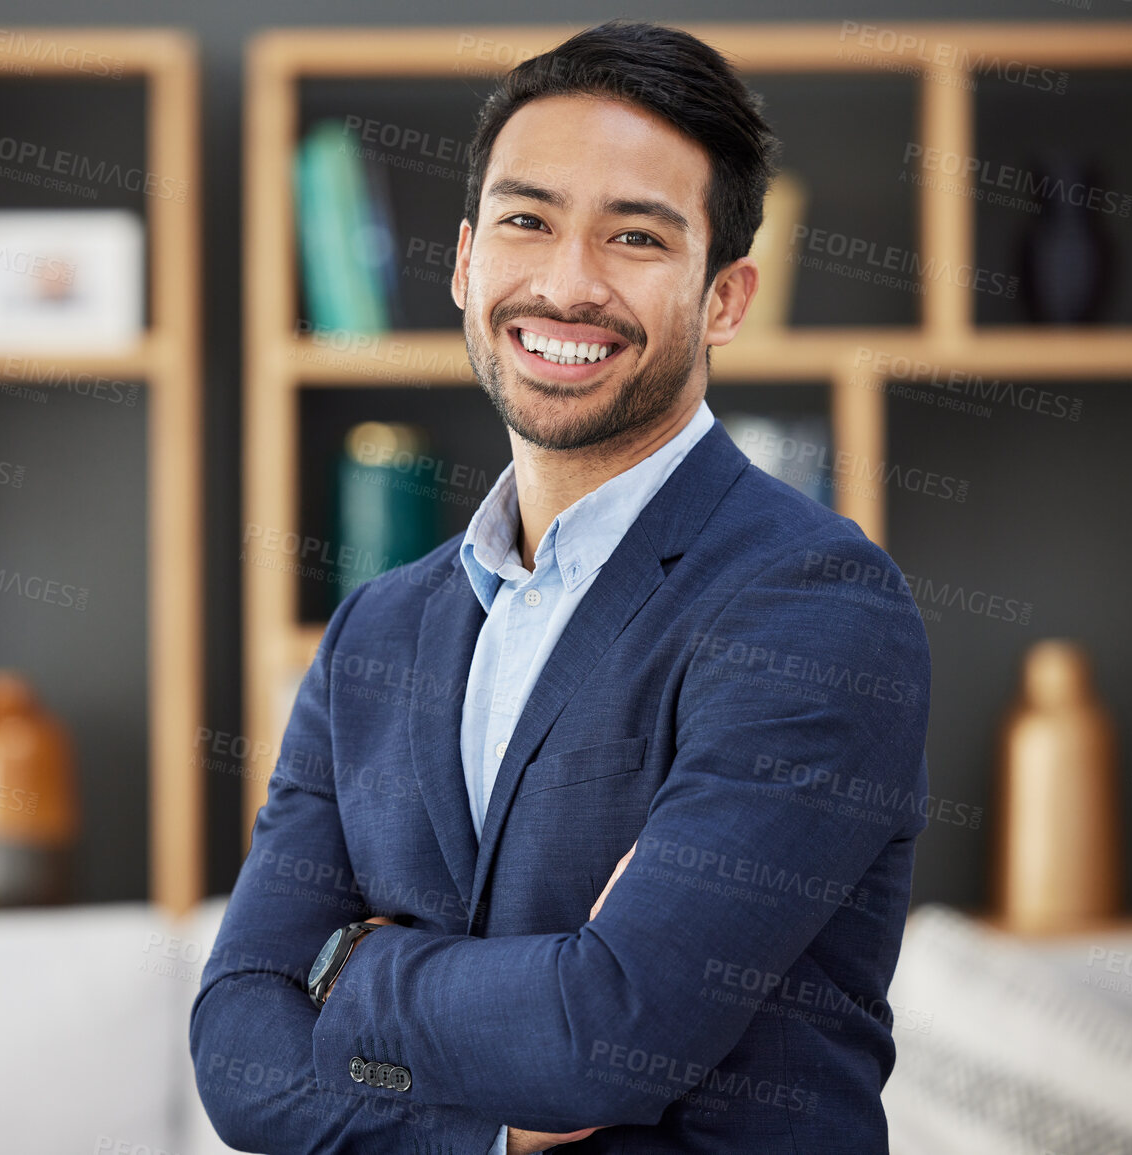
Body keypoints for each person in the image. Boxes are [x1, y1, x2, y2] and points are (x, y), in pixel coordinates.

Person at [192, 19, 930, 1154]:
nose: (567, 283)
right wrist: (496, 1119)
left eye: (636, 236)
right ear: (463, 261)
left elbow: (608, 1036)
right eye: (527, 221)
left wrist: (348, 964)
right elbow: (240, 1057)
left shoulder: (815, 605)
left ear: (725, 297)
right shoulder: (374, 630)